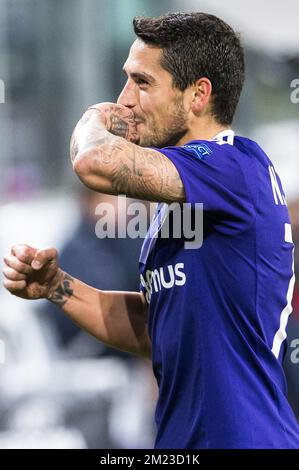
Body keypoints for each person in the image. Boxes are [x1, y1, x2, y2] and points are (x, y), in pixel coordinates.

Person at [3, 12, 299, 449]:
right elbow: (156, 324)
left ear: (198, 95)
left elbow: (92, 162)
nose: (124, 99)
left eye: (142, 83)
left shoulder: (235, 167)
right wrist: (58, 287)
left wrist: (94, 116)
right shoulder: (178, 203)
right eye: (126, 81)